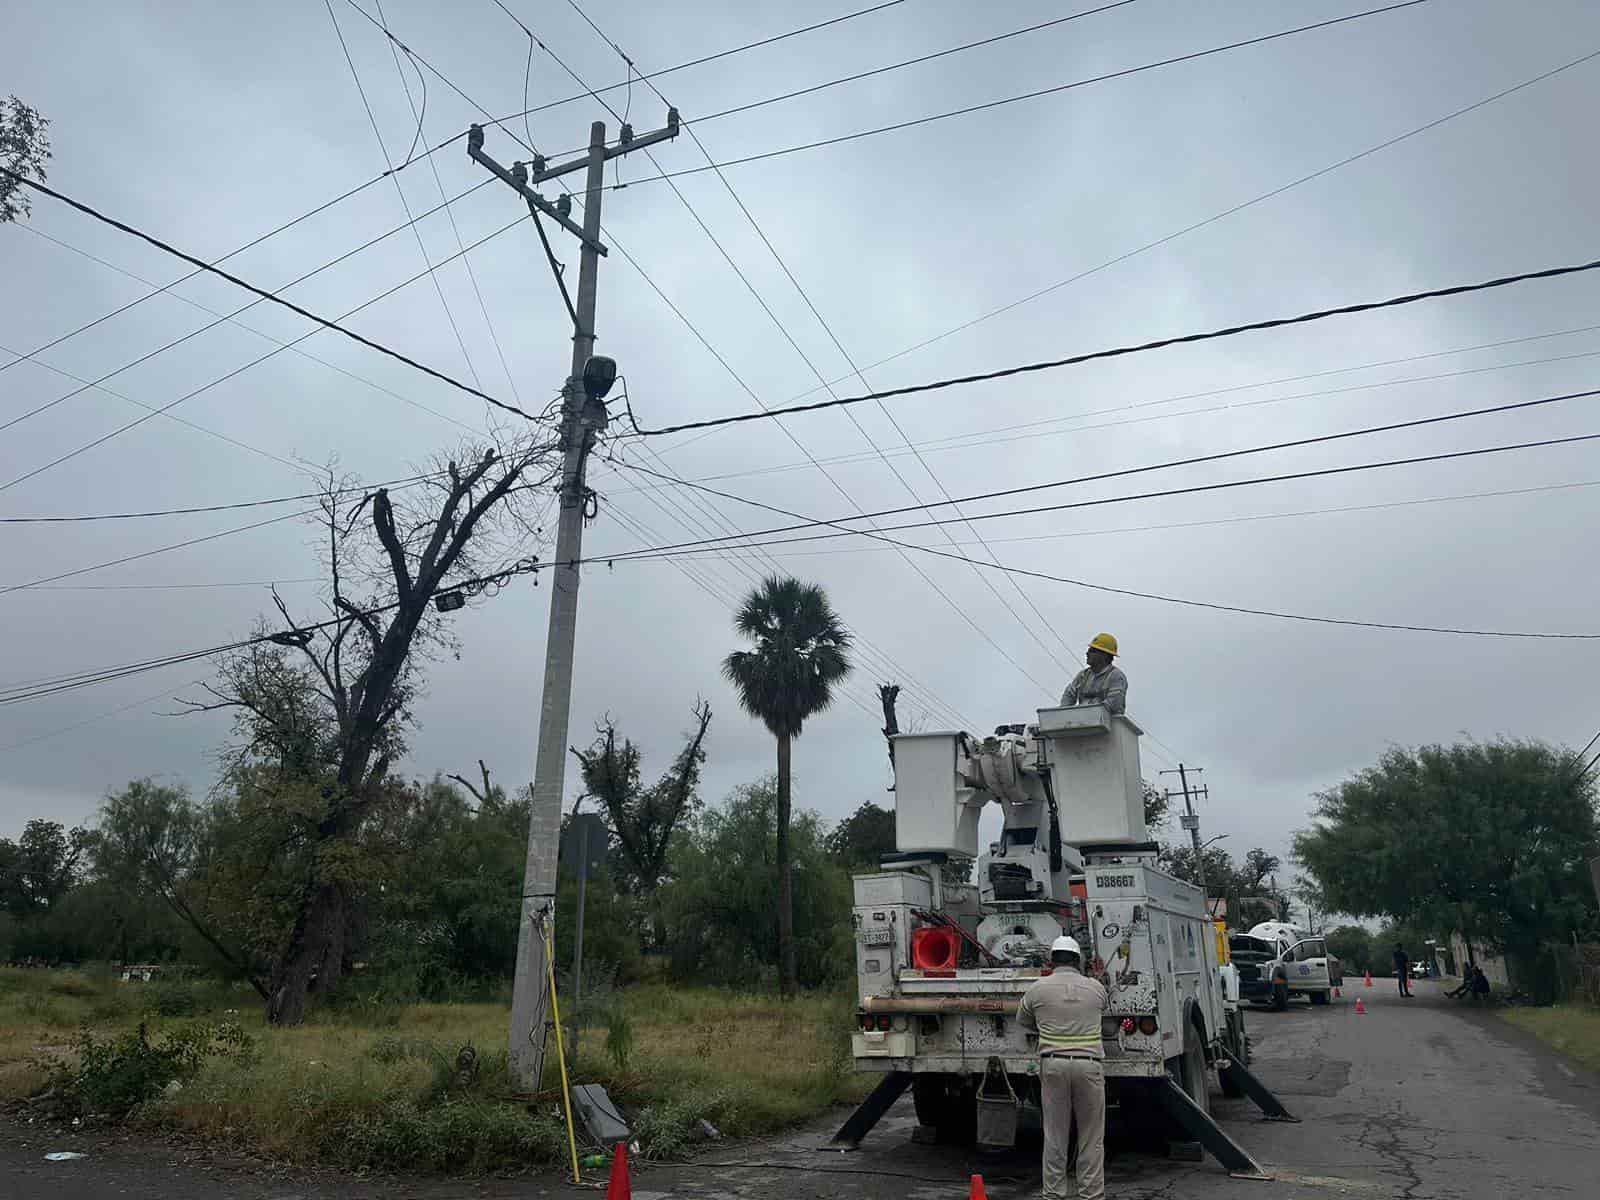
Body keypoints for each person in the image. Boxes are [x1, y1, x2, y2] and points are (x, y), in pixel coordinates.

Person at [1018, 935, 1108, 1200]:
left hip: (1053, 1065)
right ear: (1078, 961)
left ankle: (1053, 1194)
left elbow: (1023, 1020)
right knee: (1091, 1137)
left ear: (1051, 960)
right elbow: (1104, 1006)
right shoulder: (1095, 988)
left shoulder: (1038, 989)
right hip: (1089, 1067)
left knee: (1055, 1136)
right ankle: (1091, 1194)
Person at [1060, 633, 1128, 715]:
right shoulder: (1083, 675)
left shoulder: (1116, 677)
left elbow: (1113, 704)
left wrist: (1089, 713)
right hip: (1084, 721)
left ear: (1104, 655)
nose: (1087, 653)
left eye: (1092, 651)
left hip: (1108, 724)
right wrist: (1062, 714)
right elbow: (1069, 694)